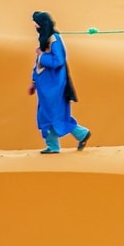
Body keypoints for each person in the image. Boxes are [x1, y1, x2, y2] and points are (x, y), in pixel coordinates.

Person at [30, 11, 92, 154]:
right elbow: (38, 64)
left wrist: (42, 56)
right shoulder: (45, 39)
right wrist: (33, 81)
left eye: (36, 23)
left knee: (55, 115)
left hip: (55, 87)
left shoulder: (54, 39)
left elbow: (59, 61)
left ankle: (62, 142)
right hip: (45, 87)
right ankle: (61, 142)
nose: (34, 26)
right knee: (46, 115)